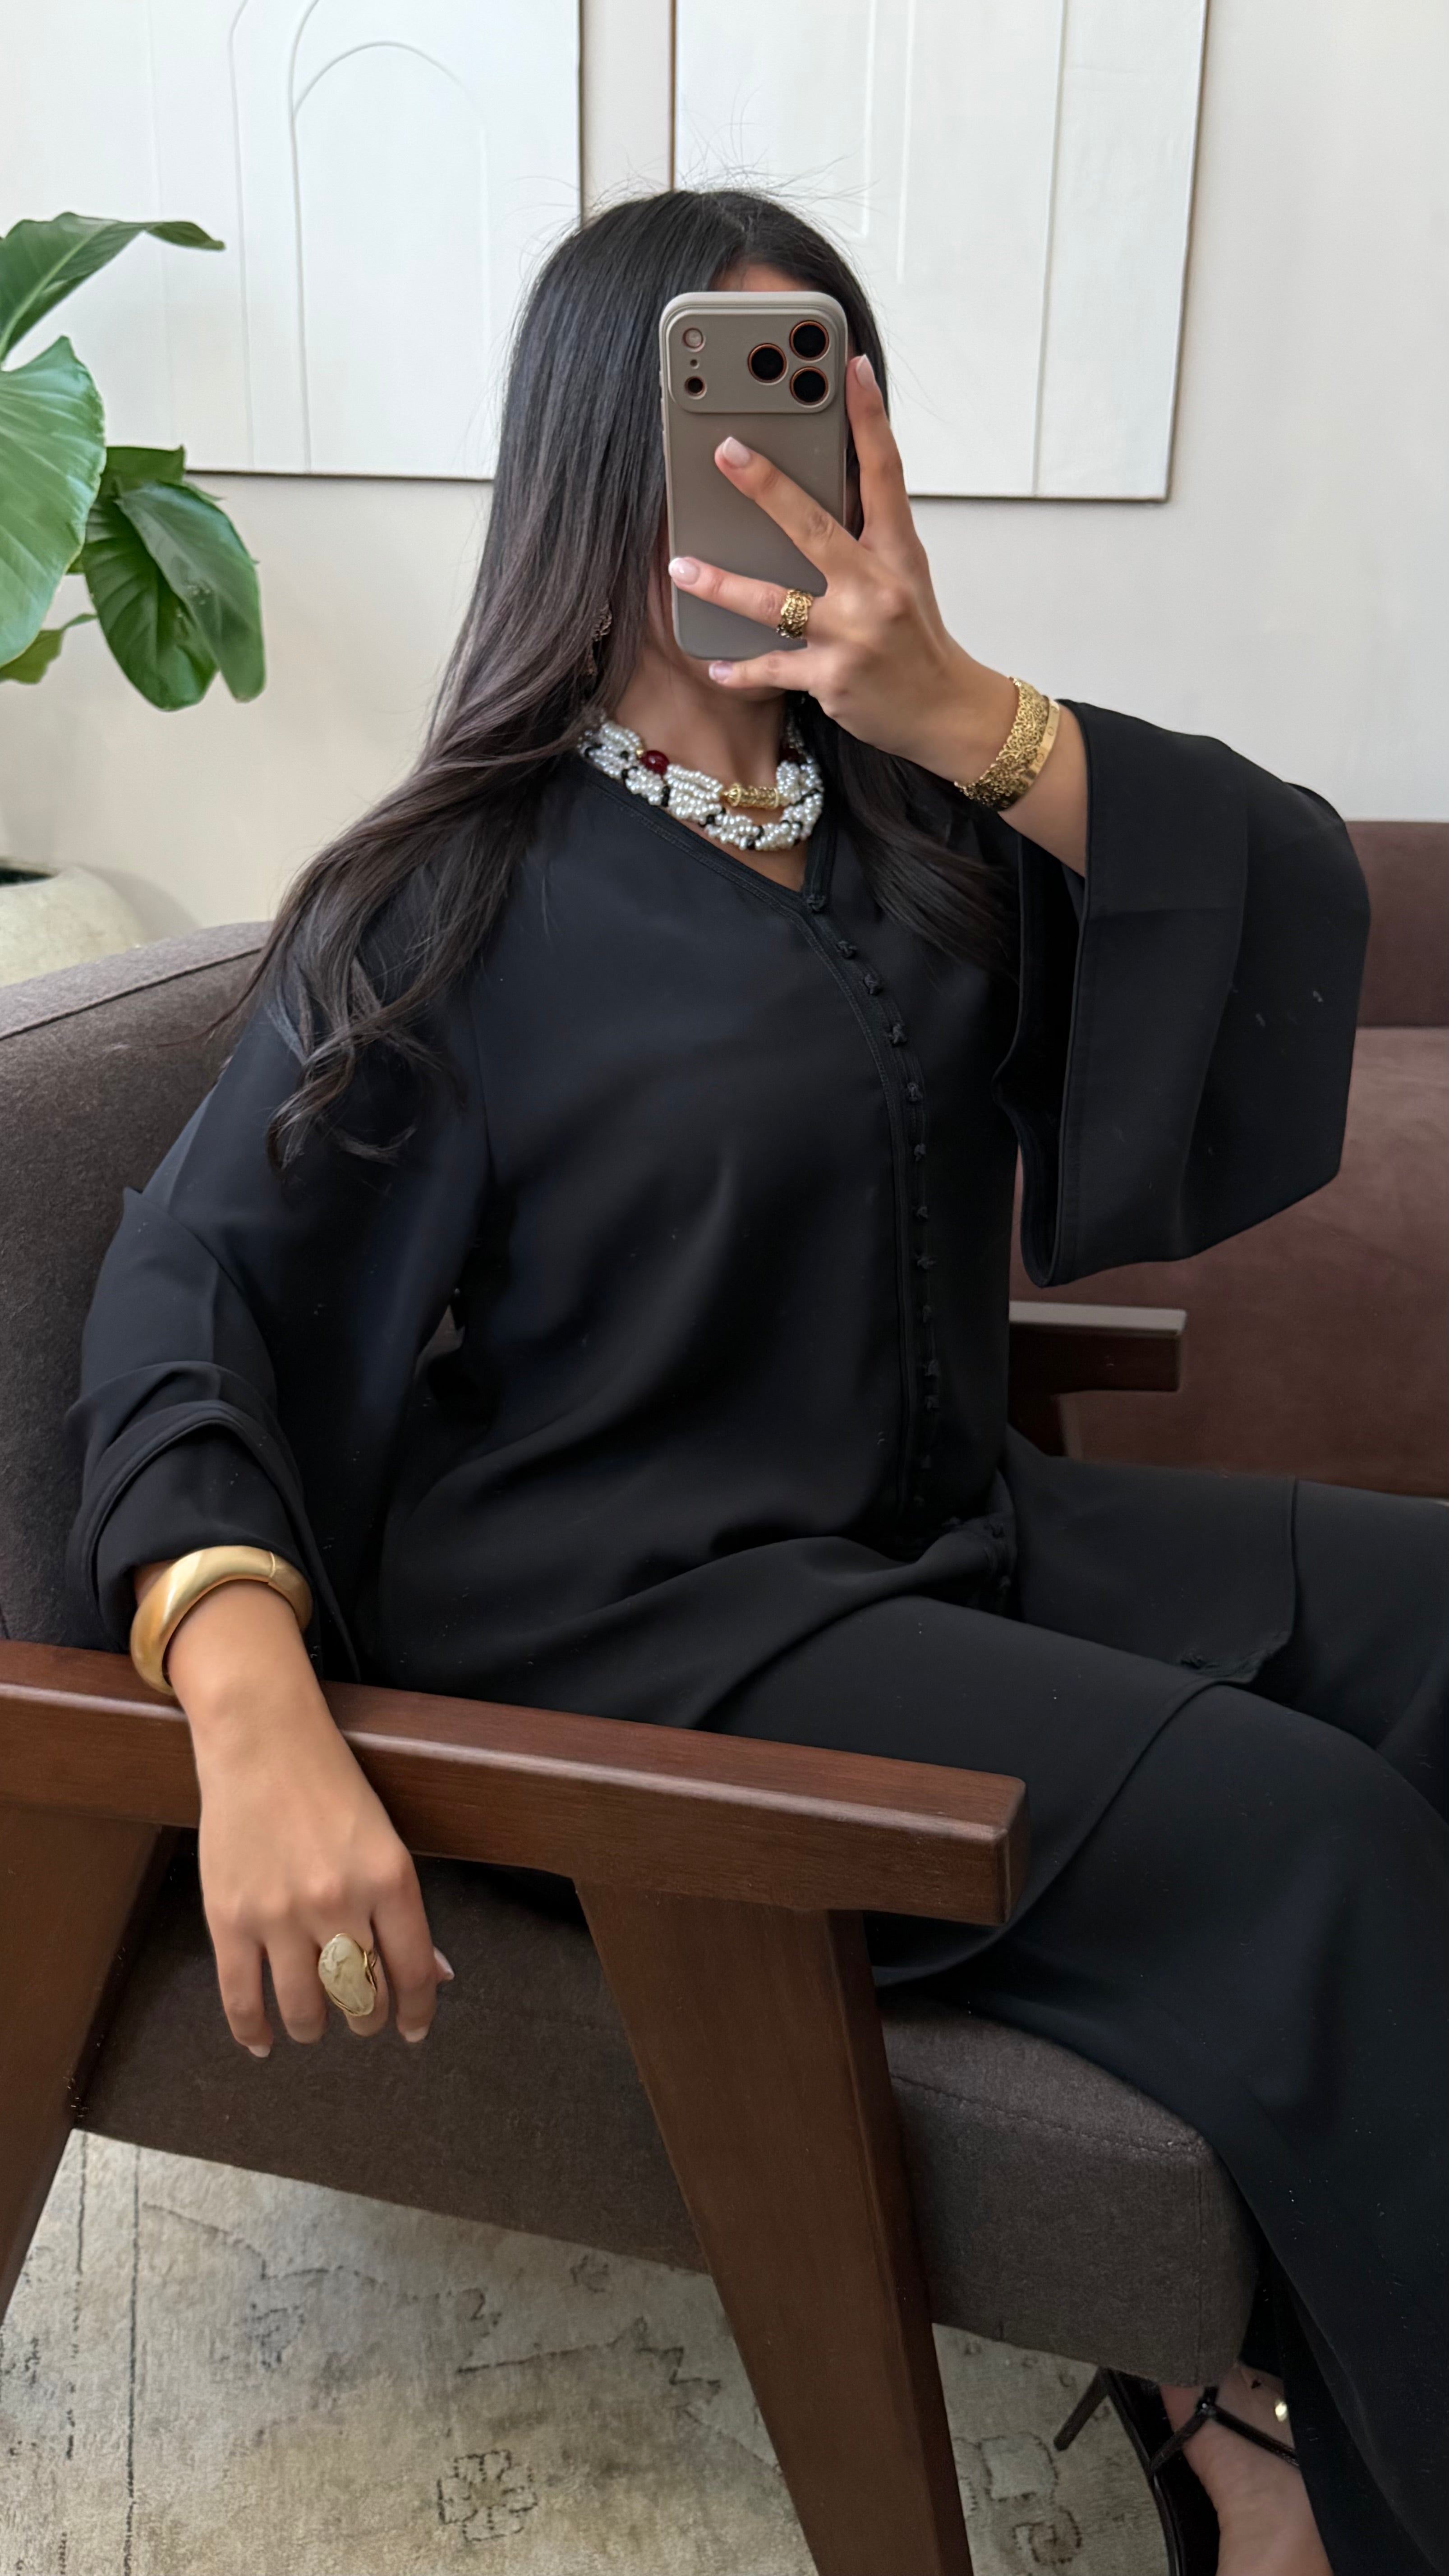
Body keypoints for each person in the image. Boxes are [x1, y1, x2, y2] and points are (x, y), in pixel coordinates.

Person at [68, 190, 1444, 2576]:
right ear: (597, 455)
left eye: (821, 410)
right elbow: (192, 1288)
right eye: (722, 414)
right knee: (1319, 1855)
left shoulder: (904, 820)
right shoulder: (442, 892)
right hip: (648, 1630)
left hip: (938, 1527)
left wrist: (966, 710)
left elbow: (1275, 911)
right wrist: (245, 1689)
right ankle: (1335, 2478)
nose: (774, 472)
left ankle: (1268, 2372)